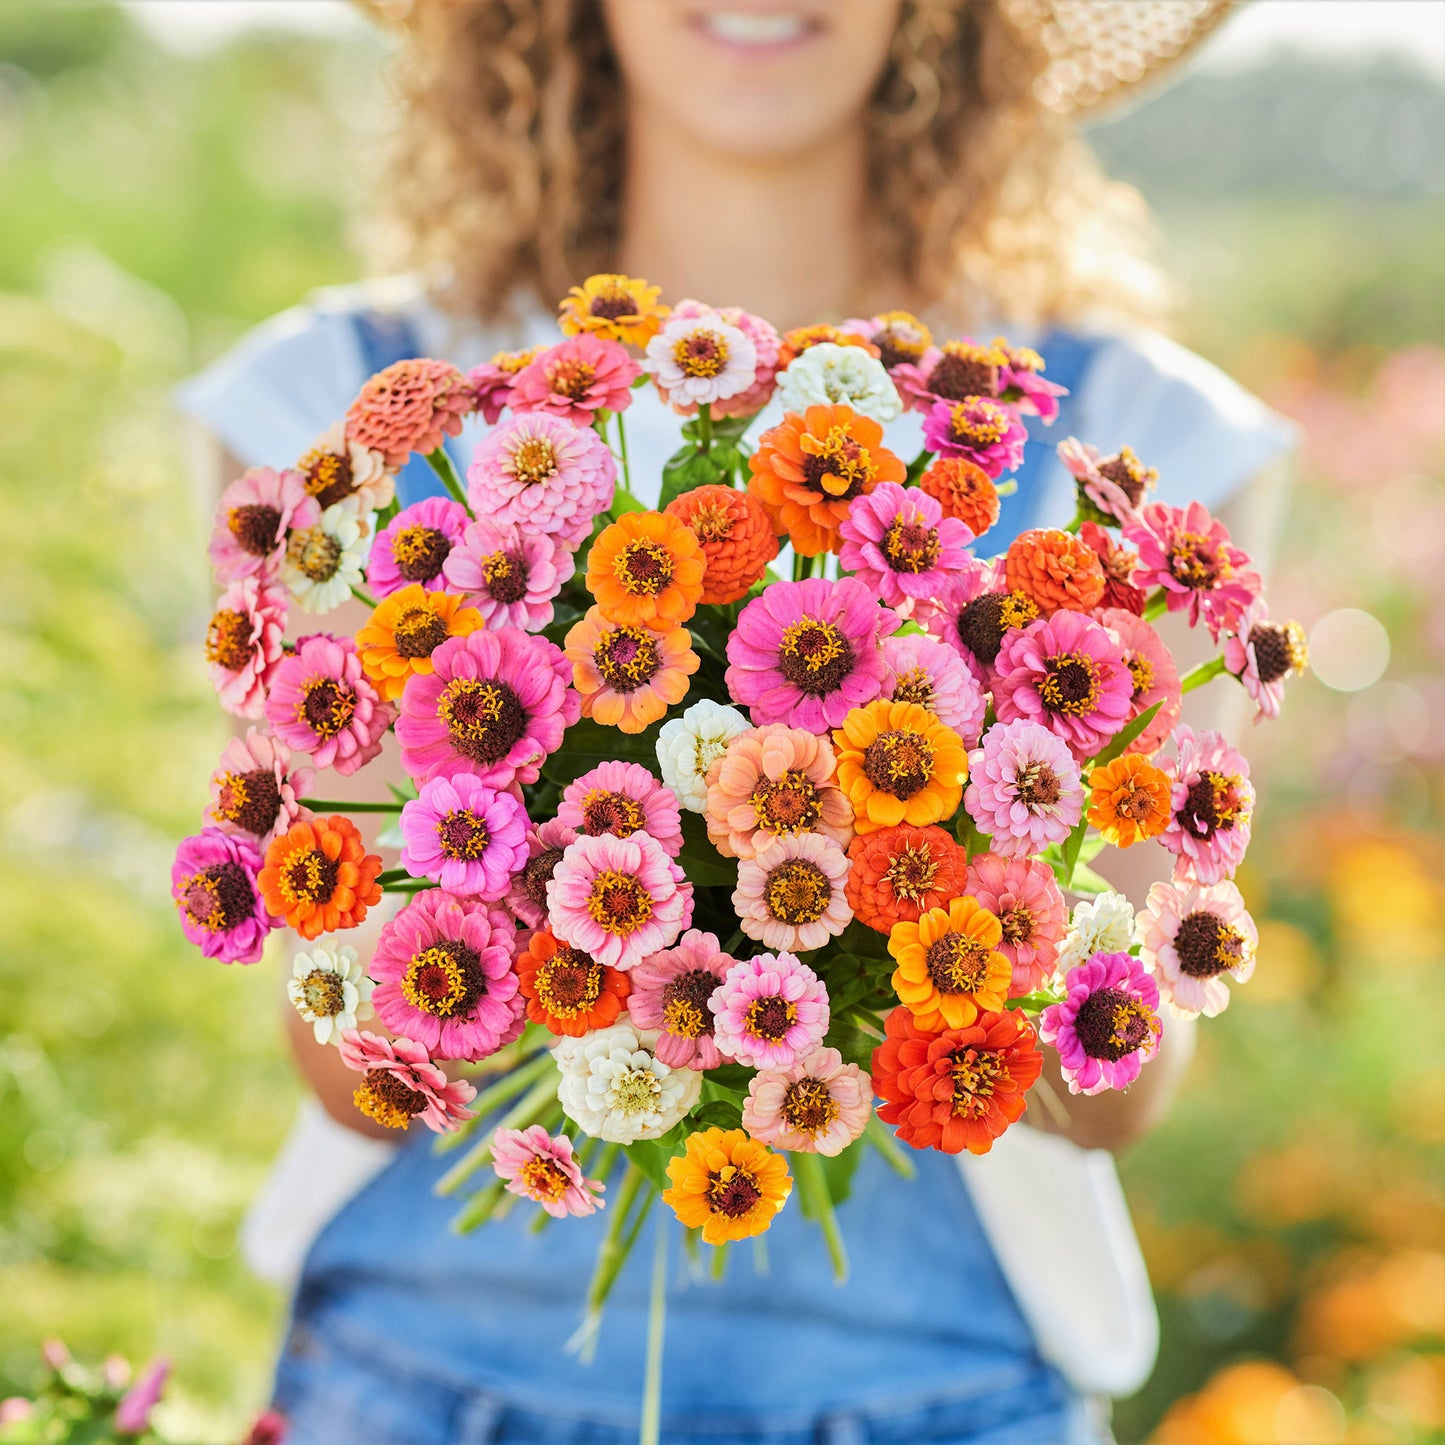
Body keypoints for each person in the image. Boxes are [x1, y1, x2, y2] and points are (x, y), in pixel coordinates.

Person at [179, 3, 1296, 1441]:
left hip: (937, 1397)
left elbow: (1110, 1080)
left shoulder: (1138, 447)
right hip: (415, 1390)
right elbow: (350, 1058)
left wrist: (904, 887)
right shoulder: (343, 408)